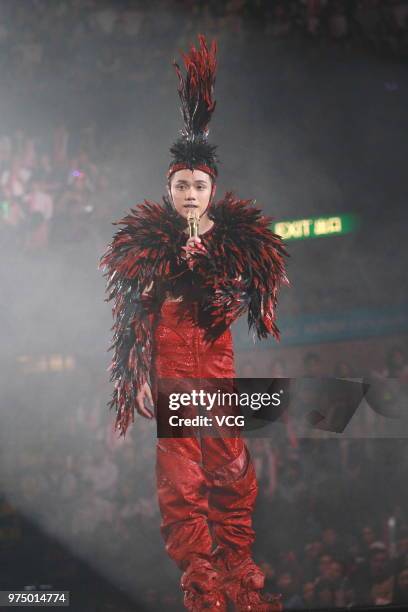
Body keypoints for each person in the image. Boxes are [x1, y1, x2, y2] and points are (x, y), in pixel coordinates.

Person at [100, 35, 289, 611]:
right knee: (182, 484)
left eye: (198, 186)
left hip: (216, 364)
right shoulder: (147, 239)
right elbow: (126, 300)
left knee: (230, 467)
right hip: (172, 366)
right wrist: (161, 275)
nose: (189, 195)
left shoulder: (236, 239)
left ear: (213, 192)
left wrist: (219, 279)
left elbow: (258, 297)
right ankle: (201, 583)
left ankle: (239, 576)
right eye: (181, 185)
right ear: (168, 189)